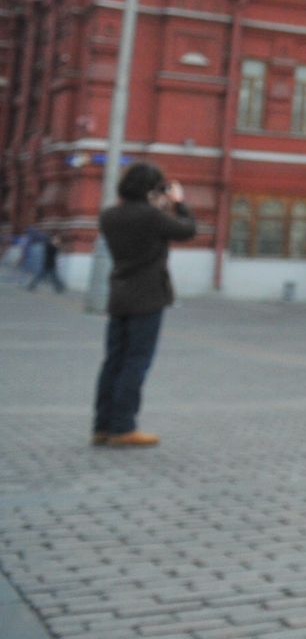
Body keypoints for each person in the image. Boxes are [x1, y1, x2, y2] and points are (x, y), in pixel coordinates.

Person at [92, 164, 196, 447]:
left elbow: (143, 228)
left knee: (113, 361)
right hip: (147, 298)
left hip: (119, 296)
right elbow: (187, 231)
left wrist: (158, 206)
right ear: (151, 189)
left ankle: (102, 426)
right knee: (136, 361)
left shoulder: (109, 215)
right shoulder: (152, 216)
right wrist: (178, 203)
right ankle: (123, 427)